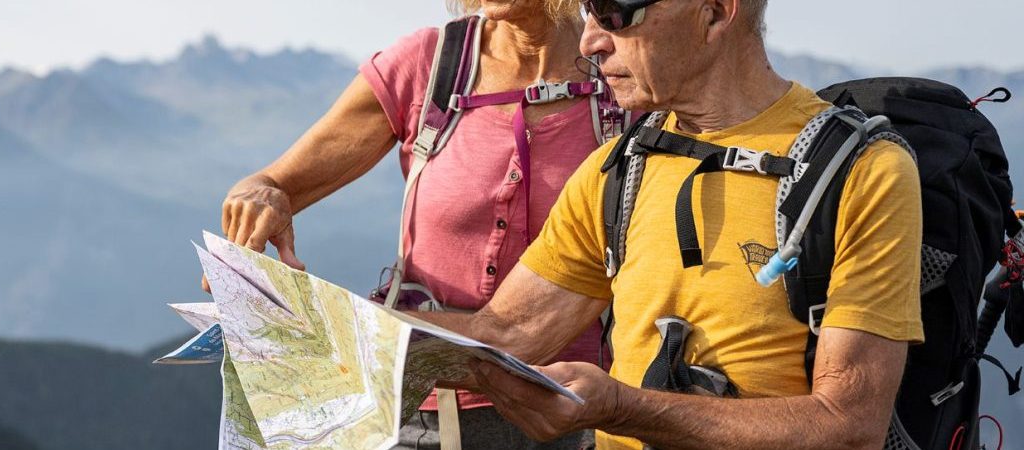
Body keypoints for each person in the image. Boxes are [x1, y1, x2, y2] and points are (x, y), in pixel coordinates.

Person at [415, 0, 923, 448]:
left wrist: (622, 408)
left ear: (715, 12)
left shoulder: (861, 172)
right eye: (589, 11)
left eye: (615, 12)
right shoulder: (617, 168)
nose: (591, 40)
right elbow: (508, 334)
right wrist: (350, 341)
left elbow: (849, 425)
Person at [207, 0, 624, 448]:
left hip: (578, 416)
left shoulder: (626, 79)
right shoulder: (429, 66)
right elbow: (273, 182)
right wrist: (259, 197)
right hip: (422, 414)